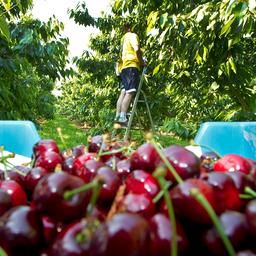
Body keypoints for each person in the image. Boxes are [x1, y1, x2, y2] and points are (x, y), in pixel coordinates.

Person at [114, 23, 146, 124]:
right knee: (130, 92)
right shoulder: (132, 36)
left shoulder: (122, 40)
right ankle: (123, 117)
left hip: (123, 68)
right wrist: (141, 62)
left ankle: (118, 116)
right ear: (130, 28)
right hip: (131, 66)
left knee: (123, 91)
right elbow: (136, 49)